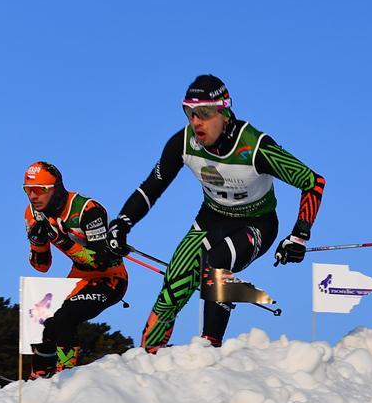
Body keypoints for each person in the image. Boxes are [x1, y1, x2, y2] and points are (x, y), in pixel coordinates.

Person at [106, 75, 325, 351]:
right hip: (212, 219)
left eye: (205, 113)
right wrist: (121, 224)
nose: (196, 121)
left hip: (257, 223)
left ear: (224, 112)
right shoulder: (183, 143)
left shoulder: (254, 147)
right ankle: (148, 358)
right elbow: (152, 186)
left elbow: (313, 181)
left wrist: (299, 235)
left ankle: (210, 350)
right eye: (190, 112)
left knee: (216, 261)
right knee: (175, 282)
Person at [23, 161, 128, 379]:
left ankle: (66, 376)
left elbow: (100, 262)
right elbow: (42, 266)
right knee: (44, 321)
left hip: (110, 277)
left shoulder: (88, 210)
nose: (33, 196)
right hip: (79, 278)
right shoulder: (33, 213)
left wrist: (62, 241)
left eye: (39, 190)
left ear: (55, 188)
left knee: (65, 318)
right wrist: (36, 242)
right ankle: (40, 375)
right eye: (28, 190)